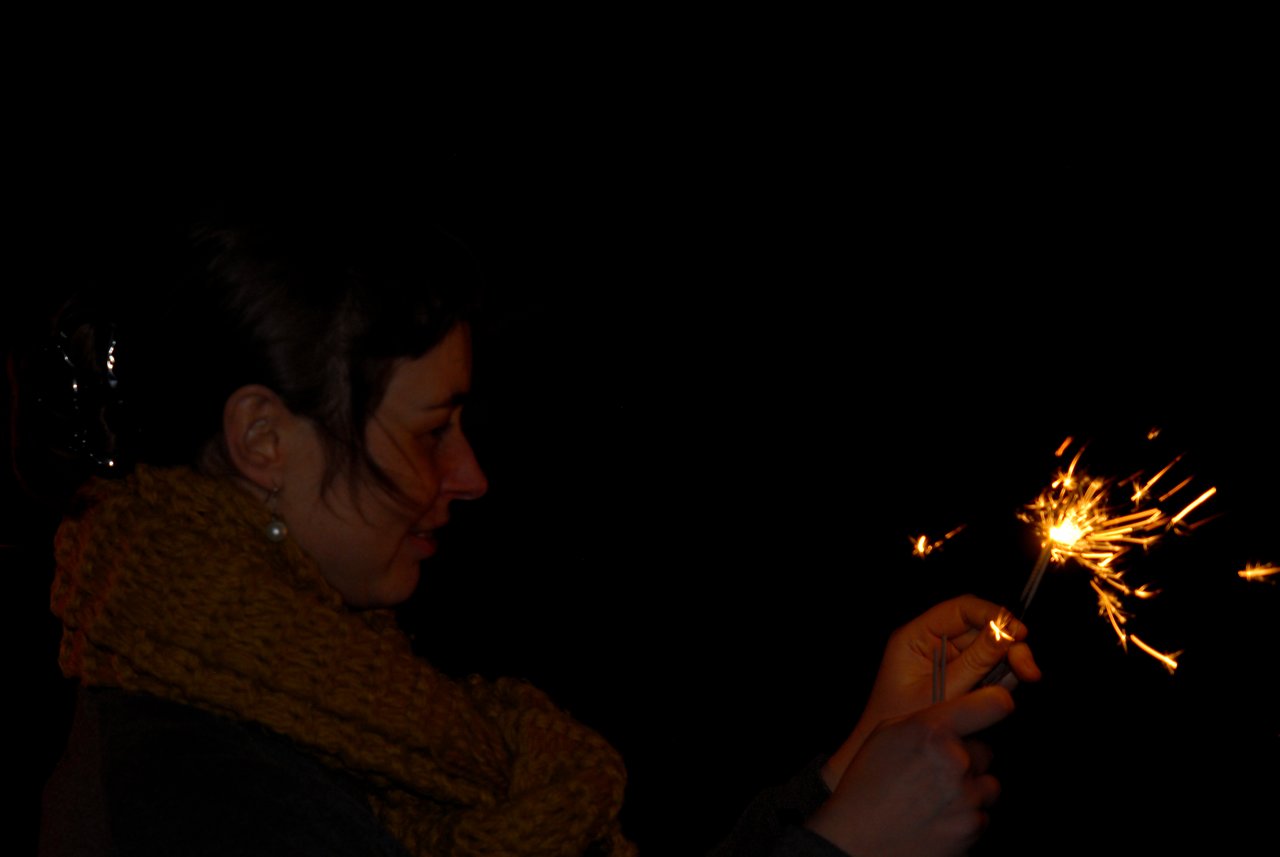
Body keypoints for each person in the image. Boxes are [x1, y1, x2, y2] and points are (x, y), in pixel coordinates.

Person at [20, 208, 1038, 856]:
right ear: (260, 437)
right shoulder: (185, 796)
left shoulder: (330, 699)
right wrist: (842, 845)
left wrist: (852, 762)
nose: (470, 475)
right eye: (429, 431)